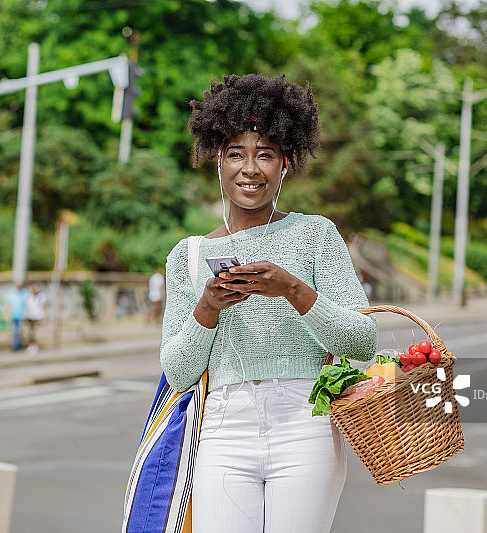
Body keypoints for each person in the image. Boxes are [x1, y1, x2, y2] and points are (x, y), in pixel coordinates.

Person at [159, 74, 378, 532]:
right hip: (222, 429)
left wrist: (294, 290)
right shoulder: (189, 255)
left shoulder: (316, 234)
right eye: (236, 154)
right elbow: (178, 373)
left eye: (265, 154)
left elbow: (362, 340)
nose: (250, 168)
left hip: (305, 425)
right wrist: (208, 308)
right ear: (218, 162)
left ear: (285, 164)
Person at [4, 283, 27, 351]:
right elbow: (7, 304)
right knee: (14, 332)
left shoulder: (24, 292)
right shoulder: (11, 293)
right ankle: (15, 346)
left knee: (20, 332)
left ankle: (18, 345)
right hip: (13, 315)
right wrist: (6, 313)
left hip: (22, 316)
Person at [24, 283, 46, 353]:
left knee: (38, 333)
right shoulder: (28, 296)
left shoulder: (41, 296)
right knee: (30, 333)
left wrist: (45, 317)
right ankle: (31, 345)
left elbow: (44, 306)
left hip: (38, 317)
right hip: (30, 317)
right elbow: (26, 307)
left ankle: (37, 346)